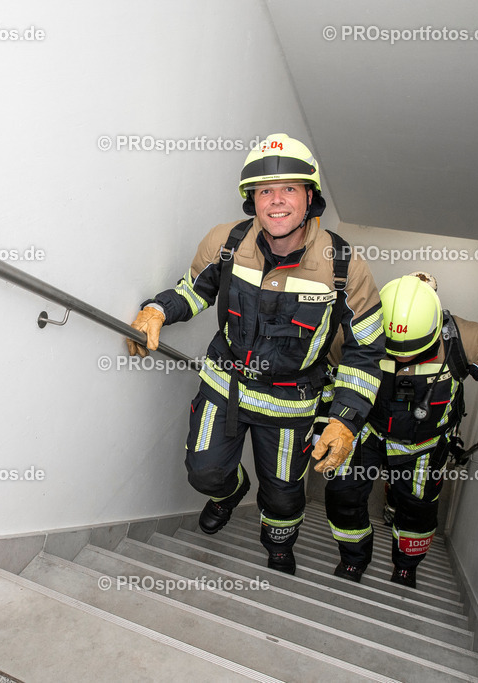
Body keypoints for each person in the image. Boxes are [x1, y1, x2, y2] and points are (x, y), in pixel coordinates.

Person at [126, 134, 385, 574]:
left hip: (290, 404)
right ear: (252, 199)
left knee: (283, 497)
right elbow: (195, 290)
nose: (276, 200)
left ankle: (278, 544)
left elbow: (366, 351)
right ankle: (229, 494)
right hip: (224, 385)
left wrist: (345, 420)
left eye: (289, 188)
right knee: (204, 473)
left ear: (310, 197)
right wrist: (157, 310)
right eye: (265, 191)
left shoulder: (344, 265)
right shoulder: (226, 241)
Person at [321, 274, 478, 588]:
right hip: (369, 432)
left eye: (412, 349)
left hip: (425, 445)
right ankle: (353, 558)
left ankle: (406, 566)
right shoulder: (353, 332)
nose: (402, 357)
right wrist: (327, 420)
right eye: (394, 348)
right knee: (342, 494)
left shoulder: (467, 338)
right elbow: (326, 371)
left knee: (417, 512)